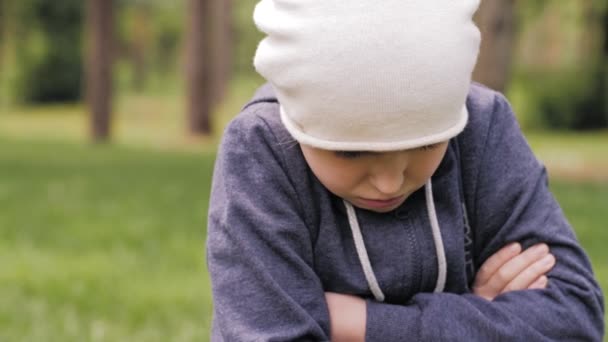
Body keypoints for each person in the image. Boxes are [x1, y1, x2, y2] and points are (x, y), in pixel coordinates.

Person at [206, 0, 604, 340]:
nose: (389, 182)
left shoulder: (482, 126)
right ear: (297, 116)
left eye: (428, 144)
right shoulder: (261, 153)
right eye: (351, 153)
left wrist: (358, 325)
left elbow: (576, 319)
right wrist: (477, 316)